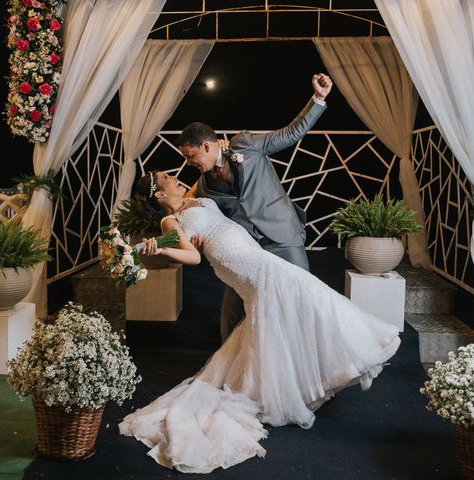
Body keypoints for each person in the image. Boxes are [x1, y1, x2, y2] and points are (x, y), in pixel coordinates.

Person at [118, 170, 401, 474]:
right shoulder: (168, 222)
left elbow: (214, 177)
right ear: (159, 194)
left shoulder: (193, 200)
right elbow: (192, 257)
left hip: (255, 256)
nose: (175, 176)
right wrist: (160, 246)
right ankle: (359, 349)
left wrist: (226, 154)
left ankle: (317, 372)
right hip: (244, 266)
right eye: (167, 178)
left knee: (299, 306)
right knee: (314, 295)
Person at [175, 73, 333, 342]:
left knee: (305, 298)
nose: (188, 163)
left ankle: (318, 358)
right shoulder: (203, 185)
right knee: (231, 311)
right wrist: (154, 243)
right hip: (246, 250)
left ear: (205, 146)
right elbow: (179, 214)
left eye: (190, 156)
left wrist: (318, 98)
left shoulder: (245, 144)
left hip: (282, 235)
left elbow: (291, 133)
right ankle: (226, 370)